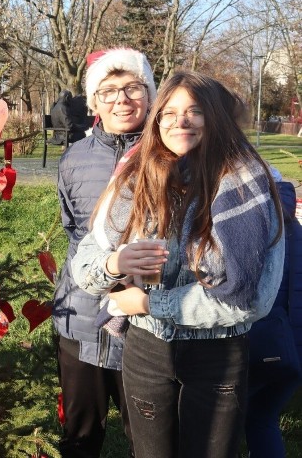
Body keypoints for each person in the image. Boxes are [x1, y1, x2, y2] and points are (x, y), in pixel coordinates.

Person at [72, 71, 285, 458]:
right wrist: (114, 263)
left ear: (216, 118)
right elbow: (85, 264)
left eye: (195, 111)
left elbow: (251, 301)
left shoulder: (249, 187)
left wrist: (152, 304)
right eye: (168, 113)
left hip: (217, 353)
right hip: (146, 350)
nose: (179, 121)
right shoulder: (135, 180)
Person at [53, 47, 156, 458]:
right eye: (108, 91)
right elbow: (72, 229)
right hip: (80, 318)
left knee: (148, 435)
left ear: (148, 94)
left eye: (132, 88)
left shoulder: (169, 153)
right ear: (94, 101)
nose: (121, 100)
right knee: (80, 433)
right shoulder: (74, 159)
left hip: (144, 320)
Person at [245, 171, 302, 457]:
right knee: (263, 420)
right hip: (291, 349)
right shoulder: (294, 226)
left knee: (223, 424)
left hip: (255, 342)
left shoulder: (245, 222)